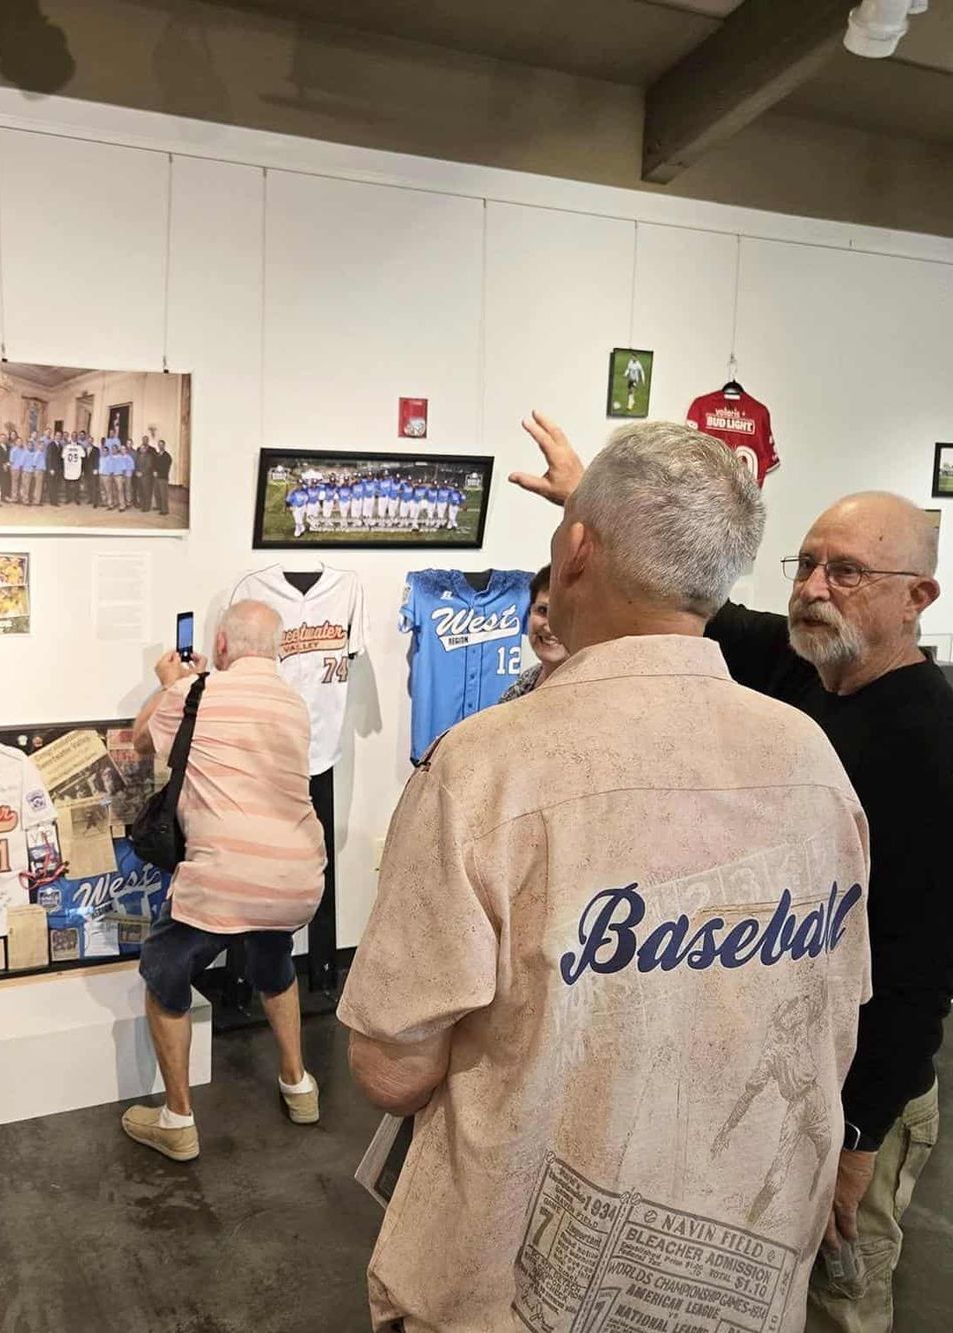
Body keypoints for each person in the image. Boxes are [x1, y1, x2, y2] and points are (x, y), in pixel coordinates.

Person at [339, 421, 871, 1333]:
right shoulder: (812, 760)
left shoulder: (487, 764)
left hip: (514, 1288)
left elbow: (392, 1066)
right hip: (741, 1280)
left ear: (577, 549)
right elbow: (838, 1017)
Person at [509, 412, 953, 1333]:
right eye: (806, 563)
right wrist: (597, 503)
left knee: (843, 1293)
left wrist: (860, 1135)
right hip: (778, 1055)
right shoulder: (800, 668)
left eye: (848, 572)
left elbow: (920, 967)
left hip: (862, 1087)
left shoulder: (930, 744)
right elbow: (680, 590)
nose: (816, 588)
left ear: (919, 596)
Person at [124, 600, 327, 1161]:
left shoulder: (195, 693)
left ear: (219, 646)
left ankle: (177, 1120)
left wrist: (169, 683)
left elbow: (141, 741)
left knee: (164, 971)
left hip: (223, 876)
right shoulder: (295, 704)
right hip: (299, 877)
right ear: (278, 650)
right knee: (270, 952)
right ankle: (298, 1085)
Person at [498, 564, 568, 701]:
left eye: (564, 614)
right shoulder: (523, 685)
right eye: (542, 610)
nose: (549, 627)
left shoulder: (598, 694)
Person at [61, 433, 85, 504]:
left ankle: (76, 499)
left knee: (76, 486)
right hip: (68, 468)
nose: (74, 437)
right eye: (73, 436)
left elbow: (83, 456)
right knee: (67, 485)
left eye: (75, 436)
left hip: (76, 468)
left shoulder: (80, 447)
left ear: (77, 437)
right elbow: (63, 457)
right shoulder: (67, 446)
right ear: (71, 437)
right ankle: (68, 498)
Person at [135, 436, 156, 513]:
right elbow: (136, 465)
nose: (142, 449)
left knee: (146, 492)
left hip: (146, 477)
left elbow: (148, 466)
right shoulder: (138, 455)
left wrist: (142, 473)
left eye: (143, 448)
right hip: (139, 477)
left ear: (146, 449)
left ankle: (147, 507)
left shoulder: (149, 456)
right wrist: (136, 472)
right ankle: (142, 504)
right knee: (140, 492)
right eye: (141, 448)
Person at [154, 439, 172, 515]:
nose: (160, 446)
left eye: (161, 444)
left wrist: (158, 472)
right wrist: (154, 471)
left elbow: (166, 467)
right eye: (159, 444)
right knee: (157, 493)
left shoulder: (167, 456)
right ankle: (159, 506)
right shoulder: (157, 454)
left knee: (163, 494)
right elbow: (155, 464)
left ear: (164, 445)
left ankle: (165, 510)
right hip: (156, 477)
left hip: (163, 477)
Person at [45, 431, 62, 506]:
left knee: (56, 485)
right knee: (52, 485)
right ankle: (53, 501)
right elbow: (49, 458)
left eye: (59, 436)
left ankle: (55, 500)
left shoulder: (60, 446)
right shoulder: (51, 445)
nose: (58, 437)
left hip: (58, 469)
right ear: (54, 436)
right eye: (57, 435)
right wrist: (50, 468)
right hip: (52, 469)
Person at [83, 436, 101, 508]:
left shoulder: (96, 449)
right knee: (88, 485)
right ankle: (90, 499)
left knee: (94, 486)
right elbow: (83, 461)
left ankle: (95, 502)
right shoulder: (84, 449)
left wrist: (96, 469)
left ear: (92, 441)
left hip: (93, 470)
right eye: (88, 440)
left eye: (91, 441)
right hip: (86, 471)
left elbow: (97, 459)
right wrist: (83, 470)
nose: (89, 442)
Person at [9, 436, 27, 502]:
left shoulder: (24, 450)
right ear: (16, 442)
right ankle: (14, 497)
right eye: (18, 441)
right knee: (15, 483)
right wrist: (12, 469)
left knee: (22, 483)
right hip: (15, 468)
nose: (20, 443)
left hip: (22, 468)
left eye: (21, 441)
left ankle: (20, 497)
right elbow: (11, 461)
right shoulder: (13, 450)